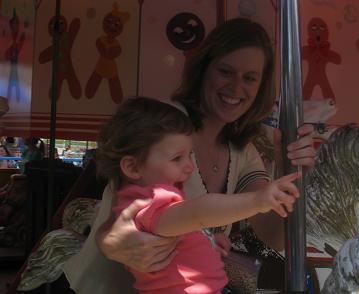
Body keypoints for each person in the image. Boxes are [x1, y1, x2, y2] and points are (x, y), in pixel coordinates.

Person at [63, 18, 316, 293]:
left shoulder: (242, 151)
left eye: (249, 78)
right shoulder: (162, 127)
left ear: (260, 86)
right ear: (204, 69)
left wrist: (292, 171)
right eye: (226, 72)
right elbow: (124, 214)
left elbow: (273, 235)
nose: (235, 87)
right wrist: (109, 242)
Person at [96, 97, 300, 293]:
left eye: (189, 155)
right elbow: (199, 213)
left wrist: (205, 240)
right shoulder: (150, 201)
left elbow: (182, 226)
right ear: (132, 167)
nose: (189, 167)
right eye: (177, 159)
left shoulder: (144, 205)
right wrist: (257, 200)